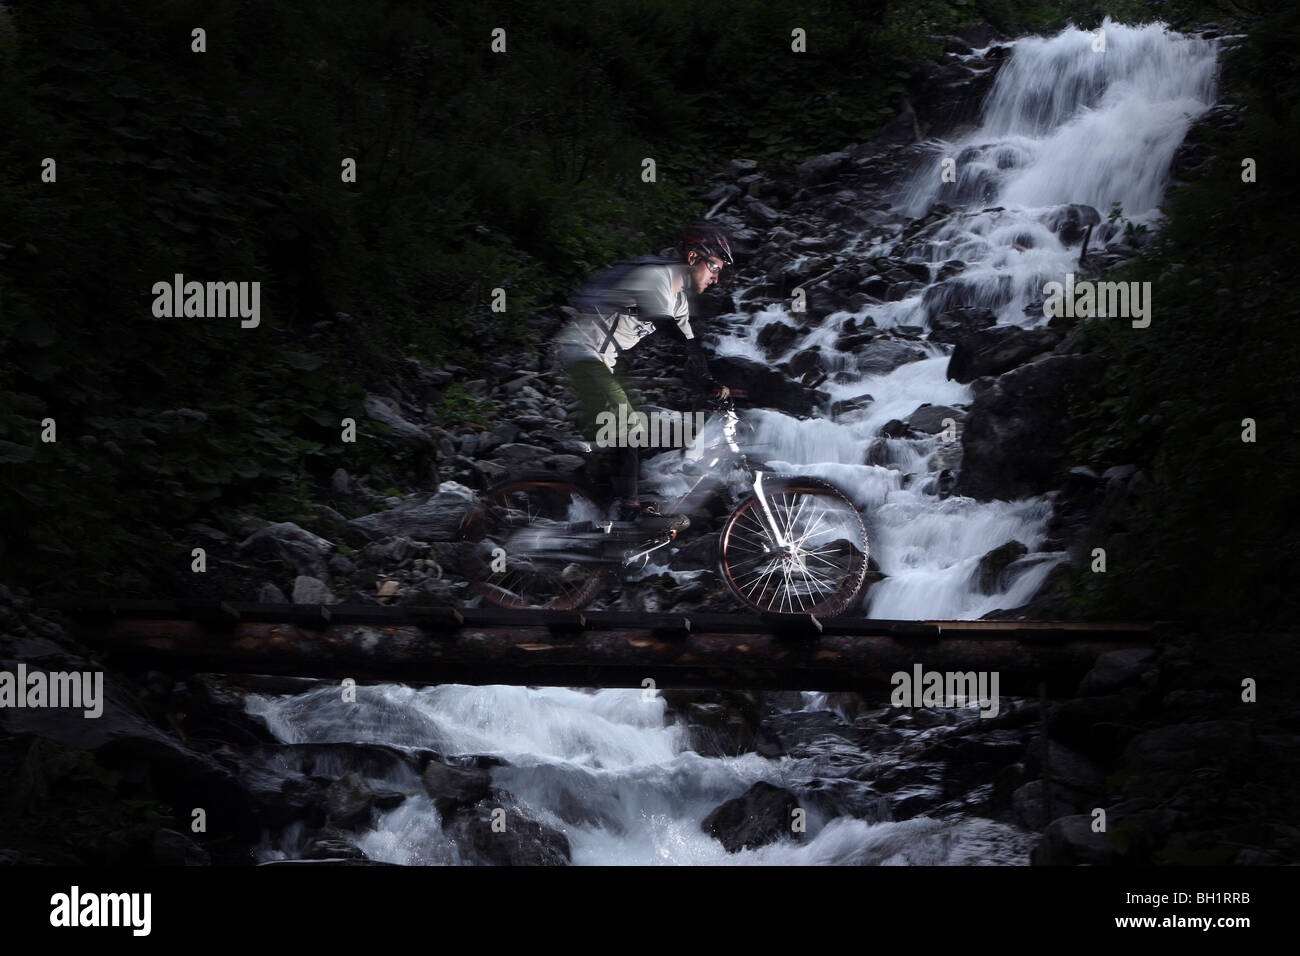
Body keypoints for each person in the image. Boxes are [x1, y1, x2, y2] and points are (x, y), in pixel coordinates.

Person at [554, 224, 733, 522]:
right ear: (692, 257)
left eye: (721, 272)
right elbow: (666, 326)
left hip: (602, 361)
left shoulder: (679, 301)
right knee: (624, 423)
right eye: (714, 267)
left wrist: (712, 384)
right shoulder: (657, 277)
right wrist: (696, 349)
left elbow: (689, 351)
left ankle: (603, 492)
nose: (716, 278)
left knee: (644, 424)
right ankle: (627, 509)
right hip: (580, 352)